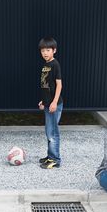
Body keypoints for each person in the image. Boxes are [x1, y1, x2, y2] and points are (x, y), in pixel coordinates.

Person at [38, 37, 63, 169]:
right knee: (49, 131)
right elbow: (46, 86)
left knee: (53, 133)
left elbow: (59, 85)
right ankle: (50, 156)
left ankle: (55, 159)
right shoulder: (45, 65)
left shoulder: (55, 64)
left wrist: (53, 102)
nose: (45, 53)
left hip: (54, 105)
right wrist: (44, 101)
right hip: (48, 104)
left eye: (48, 50)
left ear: (54, 50)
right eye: (43, 50)